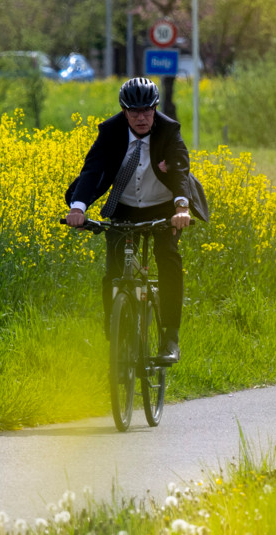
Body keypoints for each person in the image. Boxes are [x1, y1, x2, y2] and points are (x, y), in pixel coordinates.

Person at [60, 77, 208, 363]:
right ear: (124, 111)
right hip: (124, 207)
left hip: (165, 207)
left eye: (147, 111)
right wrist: (78, 208)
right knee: (113, 270)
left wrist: (181, 208)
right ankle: (114, 331)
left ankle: (169, 336)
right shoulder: (111, 131)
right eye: (133, 112)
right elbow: (93, 170)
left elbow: (179, 168)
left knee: (168, 258)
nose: (141, 118)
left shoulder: (168, 130)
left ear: (155, 109)